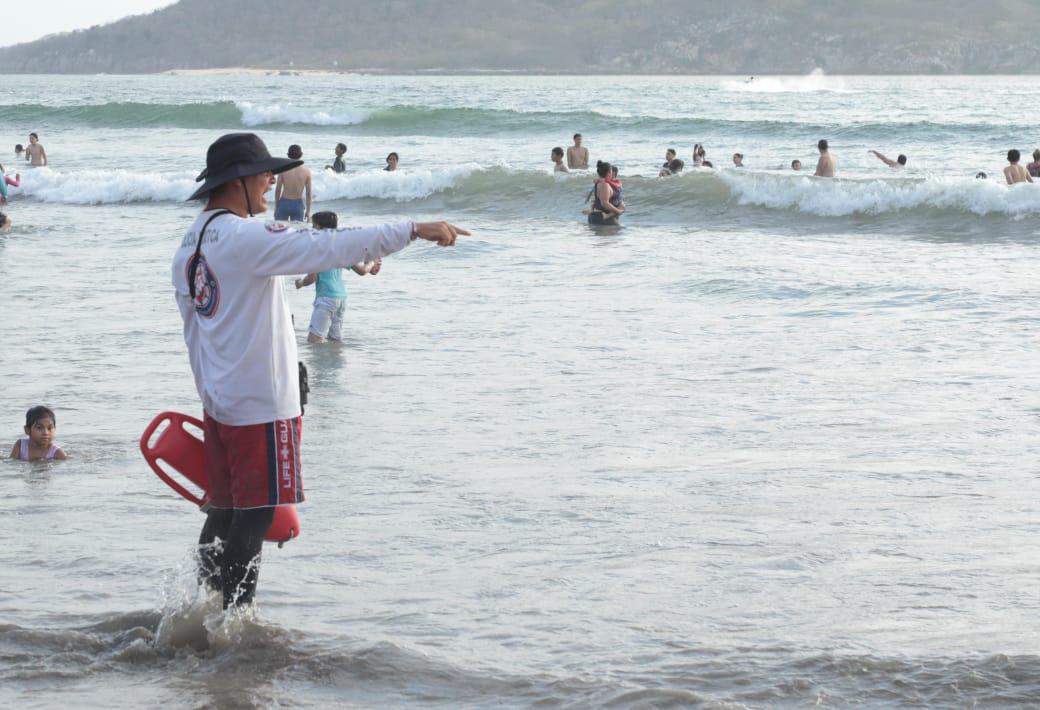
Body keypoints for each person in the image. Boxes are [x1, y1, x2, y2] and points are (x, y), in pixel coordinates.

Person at [172, 132, 467, 609]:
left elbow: (195, 333)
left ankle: (204, 607)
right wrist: (412, 229)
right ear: (238, 182)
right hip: (260, 405)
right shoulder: (245, 236)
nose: (272, 181)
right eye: (263, 174)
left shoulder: (191, 243)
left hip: (221, 403)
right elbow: (328, 246)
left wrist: (211, 394)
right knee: (255, 517)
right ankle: (234, 626)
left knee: (223, 512)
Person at [294, 211, 381, 343]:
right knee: (335, 341)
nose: (312, 229)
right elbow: (363, 271)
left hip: (325, 299)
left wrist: (300, 283)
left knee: (314, 341)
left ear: (319, 228)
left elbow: (312, 278)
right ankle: (334, 363)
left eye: (313, 226)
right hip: (341, 299)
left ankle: (322, 364)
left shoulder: (316, 249)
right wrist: (372, 262)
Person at [274, 144, 312, 222]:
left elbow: (278, 190)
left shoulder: (283, 170)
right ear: (301, 155)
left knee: (279, 231)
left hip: (284, 203)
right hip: (298, 205)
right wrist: (308, 212)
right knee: (297, 232)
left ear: (288, 155)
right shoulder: (307, 171)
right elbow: (308, 194)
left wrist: (276, 206)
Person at [586, 160, 624, 226]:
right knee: (620, 232)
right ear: (609, 172)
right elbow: (604, 203)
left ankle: (591, 211)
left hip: (595, 216)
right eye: (611, 171)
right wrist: (618, 211)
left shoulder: (598, 183)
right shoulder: (605, 185)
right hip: (603, 218)